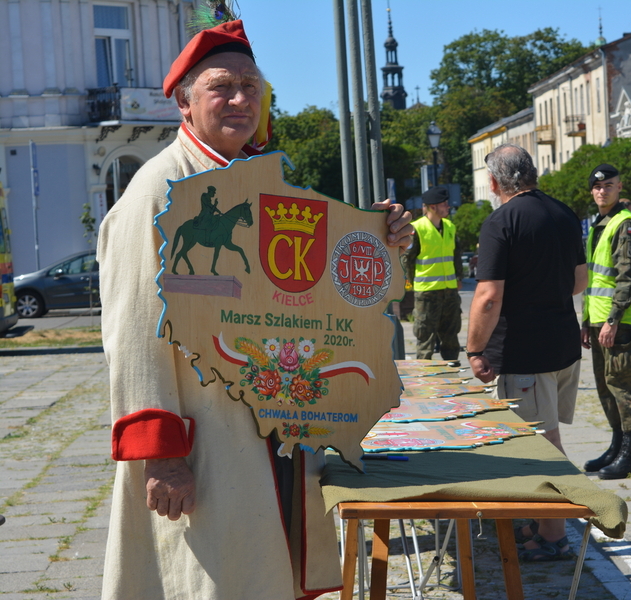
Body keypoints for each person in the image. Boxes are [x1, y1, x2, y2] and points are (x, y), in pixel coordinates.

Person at [97, 19, 414, 600]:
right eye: (222, 86)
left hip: (279, 431)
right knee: (216, 581)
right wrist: (162, 455)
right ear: (185, 103)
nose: (242, 99)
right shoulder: (158, 191)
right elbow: (135, 332)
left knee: (267, 575)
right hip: (209, 439)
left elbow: (309, 292)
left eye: (252, 86)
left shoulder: (260, 182)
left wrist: (376, 239)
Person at [466, 144, 586, 562]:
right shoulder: (564, 213)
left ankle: (555, 534)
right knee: (547, 435)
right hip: (564, 346)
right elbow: (578, 282)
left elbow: (486, 297)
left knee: (541, 443)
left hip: (525, 351)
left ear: (495, 182)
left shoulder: (501, 221)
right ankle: (541, 519)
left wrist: (475, 348)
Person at [581, 164, 631, 480]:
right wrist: (587, 320)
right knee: (606, 386)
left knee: (623, 384)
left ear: (620, 188)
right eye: (597, 187)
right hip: (599, 320)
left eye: (608, 185)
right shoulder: (601, 224)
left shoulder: (626, 224)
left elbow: (628, 277)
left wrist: (612, 319)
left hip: (619, 321)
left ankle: (630, 455)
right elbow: (595, 278)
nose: (601, 191)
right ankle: (616, 446)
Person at [402, 185, 463, 360]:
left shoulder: (450, 226)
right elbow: (407, 260)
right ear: (432, 207)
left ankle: (453, 376)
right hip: (427, 293)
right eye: (444, 204)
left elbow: (456, 255)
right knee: (425, 340)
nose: (448, 207)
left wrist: (459, 277)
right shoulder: (417, 229)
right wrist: (412, 282)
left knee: (451, 338)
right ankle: (424, 380)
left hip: (449, 291)